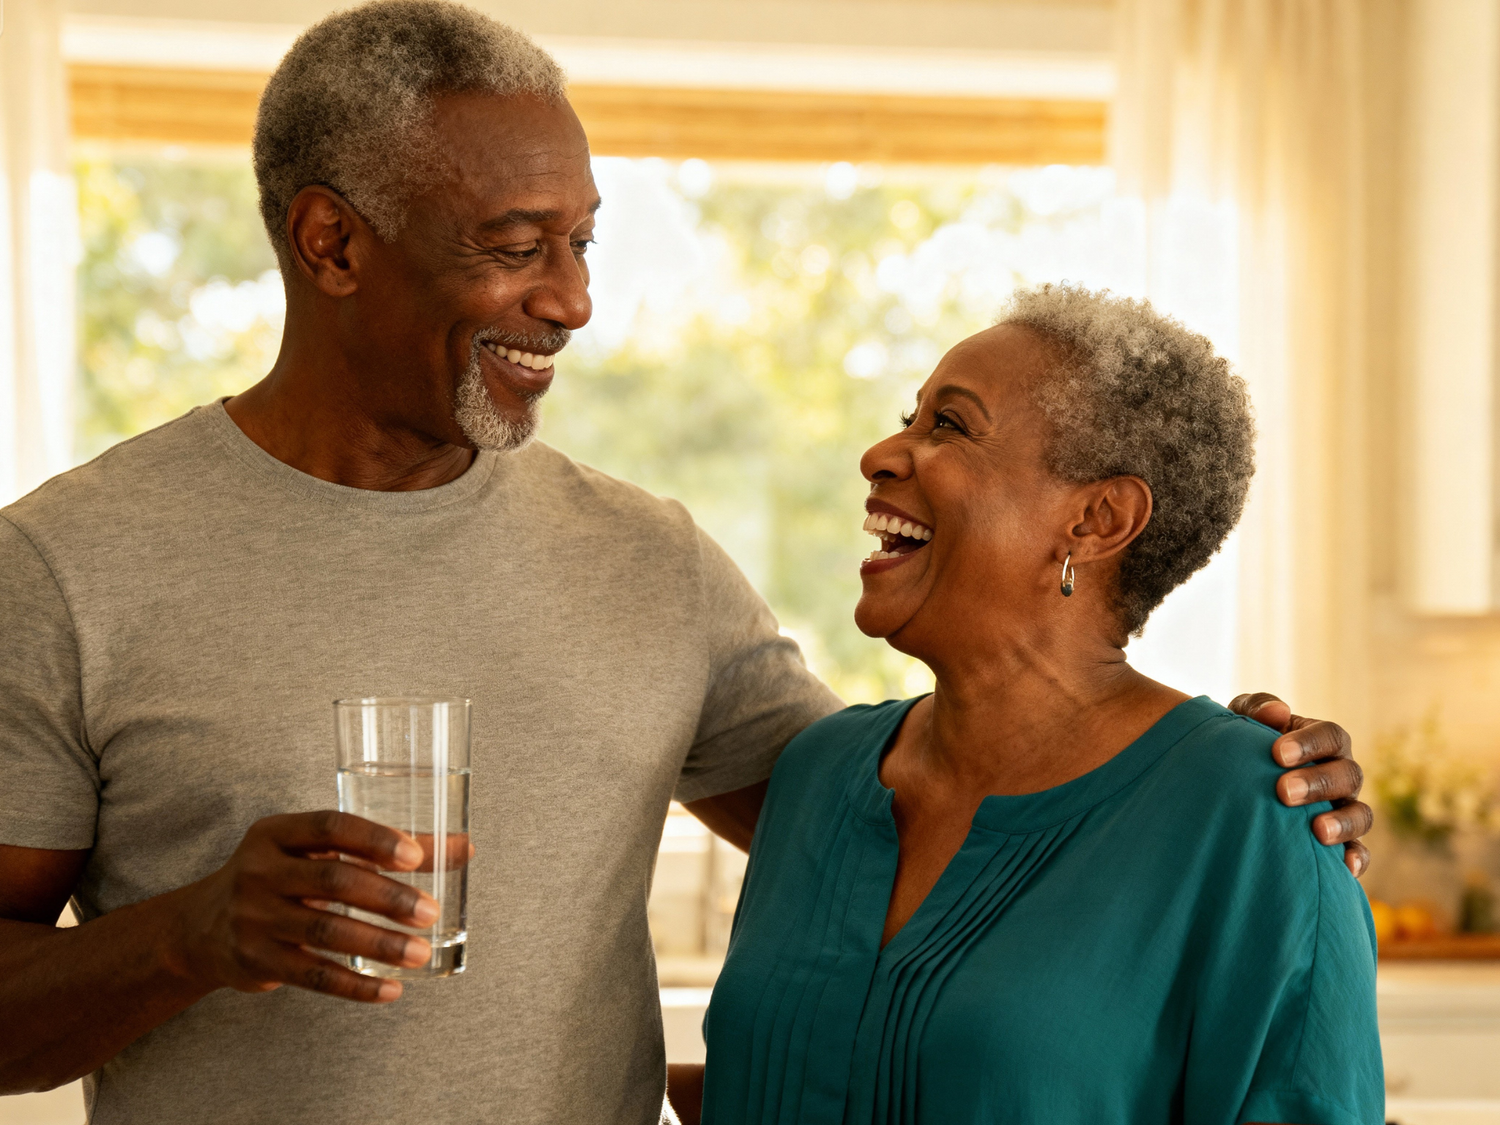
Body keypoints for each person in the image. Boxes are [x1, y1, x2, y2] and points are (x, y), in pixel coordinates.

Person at [0, 4, 1370, 1124]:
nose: (573, 298)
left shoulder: (648, 562)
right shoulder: (72, 564)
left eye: (582, 238)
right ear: (333, 241)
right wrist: (189, 935)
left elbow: (963, 827)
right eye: (515, 246)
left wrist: (1243, 789)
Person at [670, 287, 1383, 1125]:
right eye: (912, 417)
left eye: (951, 426)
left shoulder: (1260, 816)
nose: (881, 453)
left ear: (1097, 518)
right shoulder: (820, 774)